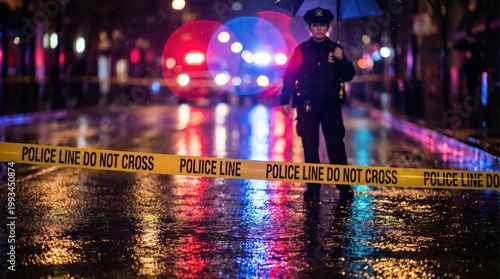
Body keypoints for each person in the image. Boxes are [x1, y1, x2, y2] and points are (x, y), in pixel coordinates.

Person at [280, 7, 355, 200]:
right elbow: (289, 76)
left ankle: (344, 187)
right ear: (310, 28)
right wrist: (285, 99)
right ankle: (313, 188)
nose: (319, 29)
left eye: (322, 25)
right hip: (307, 105)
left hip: (331, 105)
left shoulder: (336, 49)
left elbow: (349, 75)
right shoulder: (301, 50)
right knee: (310, 146)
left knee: (336, 146)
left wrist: (341, 59)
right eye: (315, 25)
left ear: (328, 27)